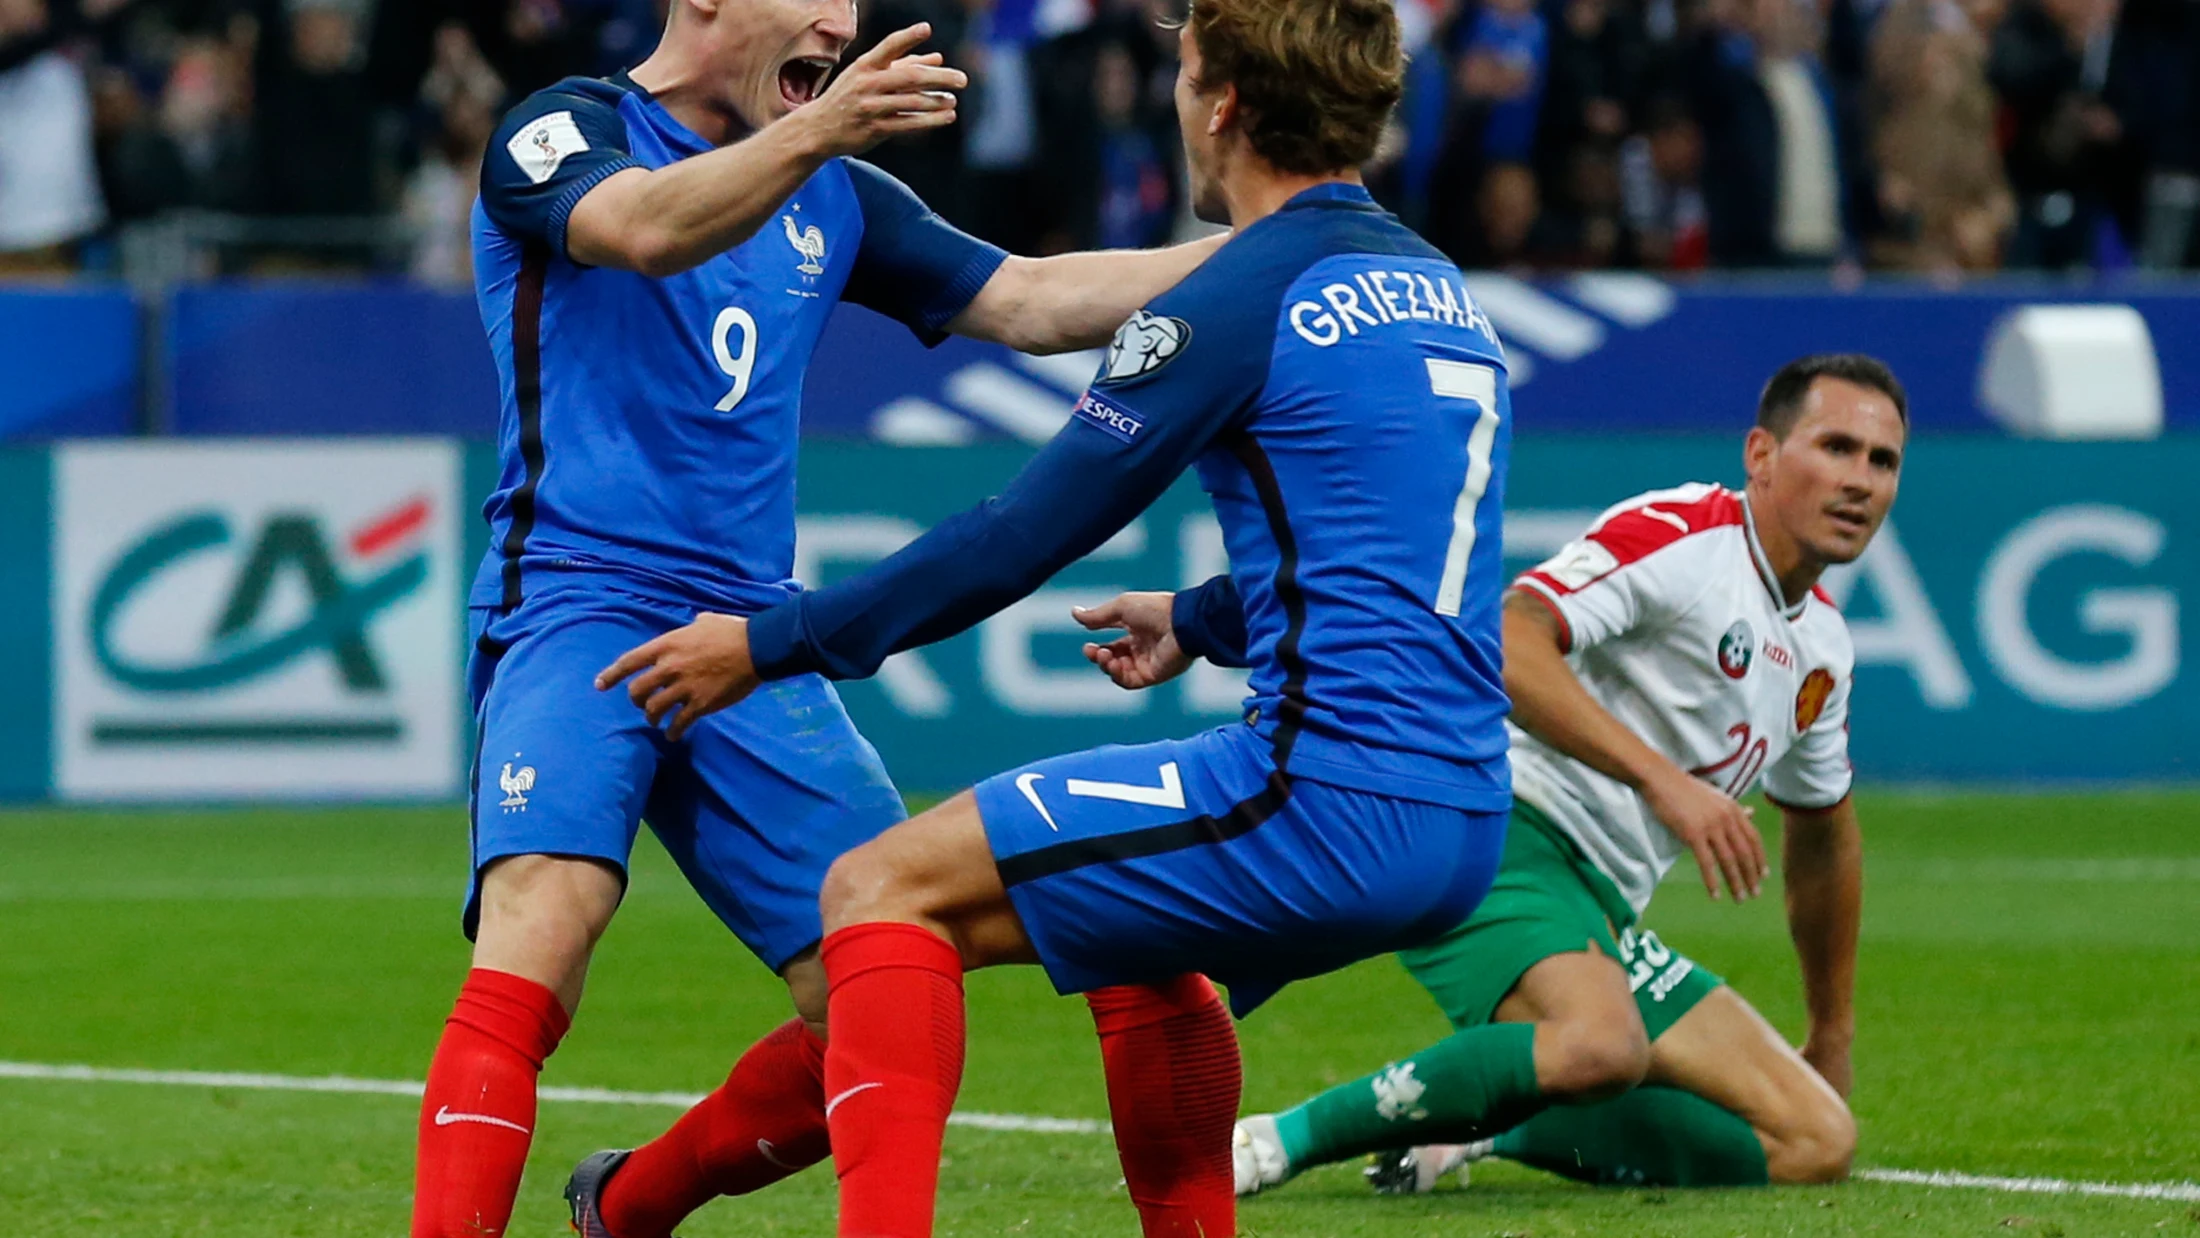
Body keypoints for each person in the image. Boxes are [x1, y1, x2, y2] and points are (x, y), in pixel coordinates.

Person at [592, 1, 1518, 1232]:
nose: (1176, 106)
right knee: (1144, 951)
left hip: (1321, 798)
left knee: (879, 887)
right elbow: (1389, 574)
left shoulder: (1238, 294)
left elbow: (1019, 533)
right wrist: (1198, 616)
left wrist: (766, 642)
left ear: (1224, 104)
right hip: (1462, 809)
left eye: (1185, 76)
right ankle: (629, 1203)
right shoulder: (1430, 285)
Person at [414, 0, 1231, 1232]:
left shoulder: (834, 190)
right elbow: (639, 229)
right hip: (577, 605)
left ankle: (631, 1202)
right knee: (547, 915)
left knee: (882, 977)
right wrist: (820, 135)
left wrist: (1272, 247)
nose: (841, 24)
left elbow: (1032, 299)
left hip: (750, 638)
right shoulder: (560, 133)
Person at [1231, 354, 1901, 1198]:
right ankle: (1271, 1142)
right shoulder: (1687, 540)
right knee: (1600, 1044)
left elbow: (1823, 839)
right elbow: (1508, 643)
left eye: (1882, 462)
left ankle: (1486, 1124)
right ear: (1761, 455)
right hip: (1489, 832)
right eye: (1836, 447)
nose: (1861, 481)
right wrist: (1664, 781)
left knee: (1814, 1138)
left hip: (1602, 907)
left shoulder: (1824, 651)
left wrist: (1831, 1036)